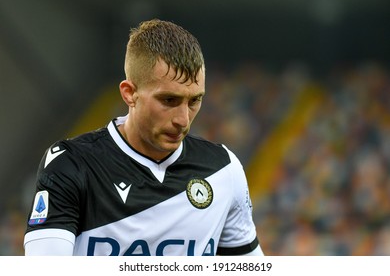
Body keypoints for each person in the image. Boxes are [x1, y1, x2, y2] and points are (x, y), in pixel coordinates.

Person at [23, 19, 264, 256]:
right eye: (169, 100)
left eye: (194, 100)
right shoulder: (73, 165)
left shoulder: (223, 169)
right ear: (129, 94)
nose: (182, 119)